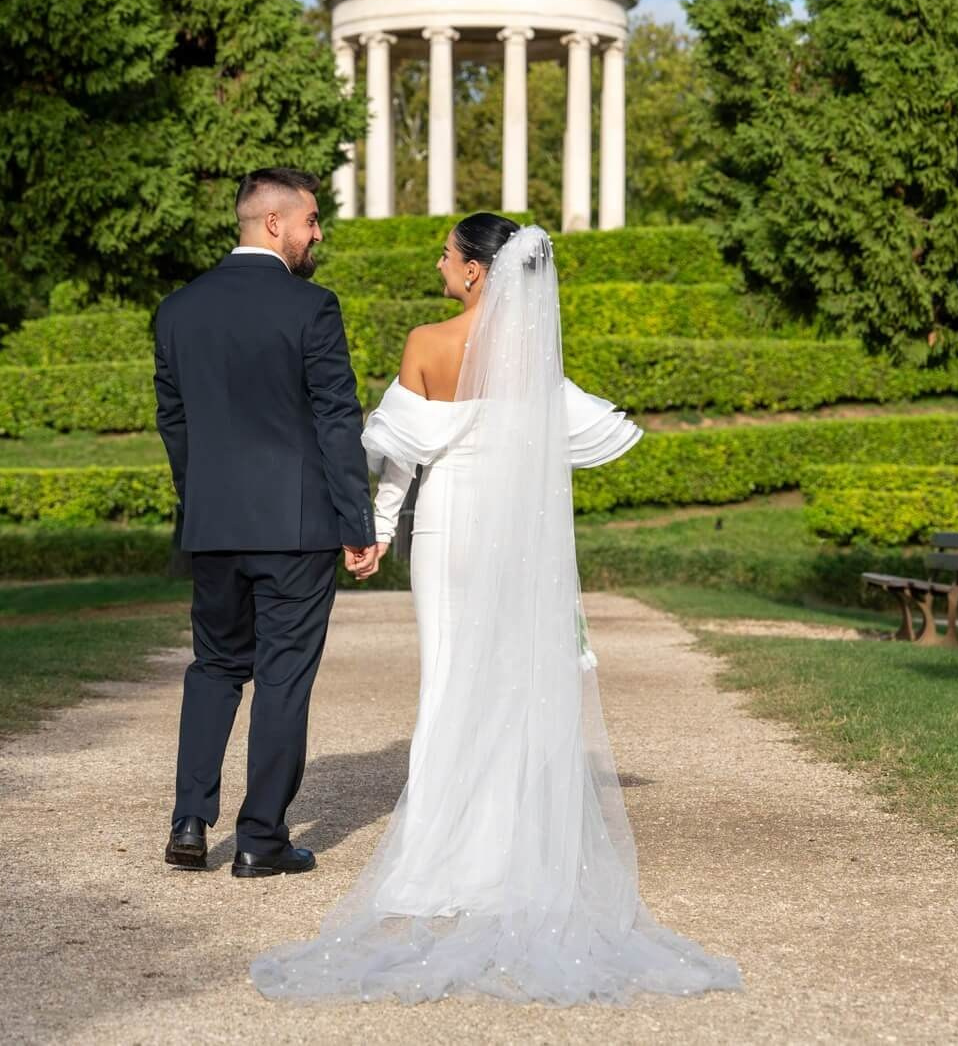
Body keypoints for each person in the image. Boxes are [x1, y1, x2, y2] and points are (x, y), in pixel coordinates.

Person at [251, 214, 741, 1004]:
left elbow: (399, 459)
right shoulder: (532, 355)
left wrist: (371, 532)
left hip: (449, 533)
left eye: (447, 252)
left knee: (447, 682)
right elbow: (596, 434)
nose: (438, 260)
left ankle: (440, 860)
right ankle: (510, 853)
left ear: (478, 271)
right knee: (510, 685)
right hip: (513, 534)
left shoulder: (428, 342)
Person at [152, 167, 383, 880]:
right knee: (282, 675)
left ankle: (190, 819)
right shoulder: (313, 307)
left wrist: (202, 504)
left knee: (215, 666)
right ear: (275, 223)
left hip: (214, 525)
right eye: (313, 220)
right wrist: (358, 520)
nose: (319, 234)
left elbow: (176, 422)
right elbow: (337, 417)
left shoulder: (177, 310)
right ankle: (261, 839)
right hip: (299, 525)